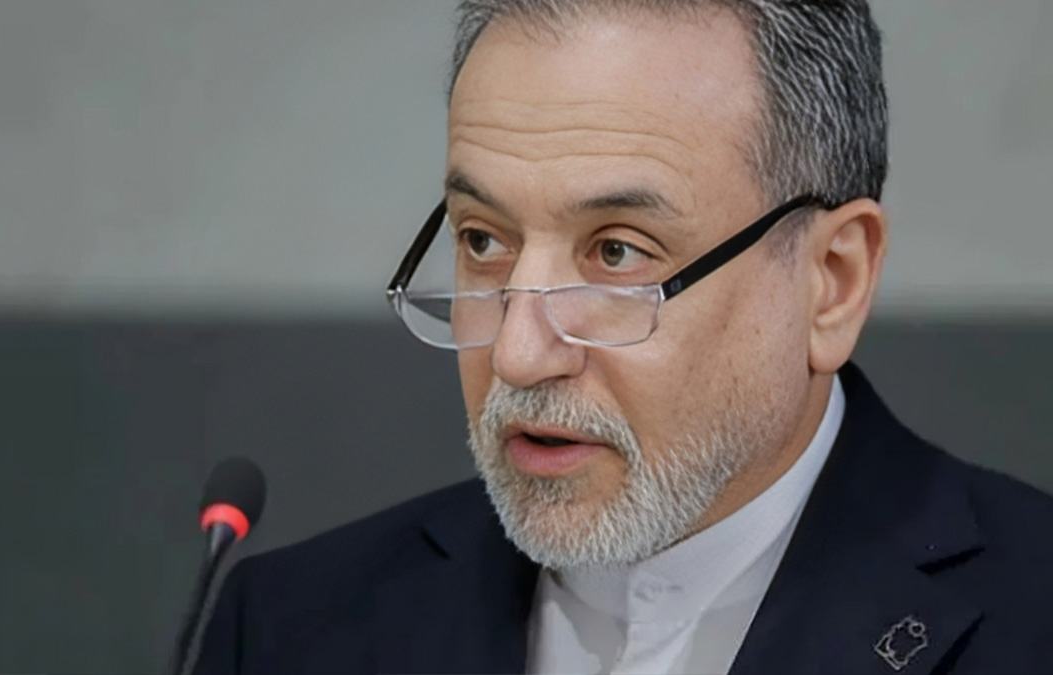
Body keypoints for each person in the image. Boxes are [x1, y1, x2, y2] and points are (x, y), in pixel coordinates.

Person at [194, 1, 1053, 673]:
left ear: (832, 281)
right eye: (483, 239)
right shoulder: (285, 630)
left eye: (616, 253)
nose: (519, 354)